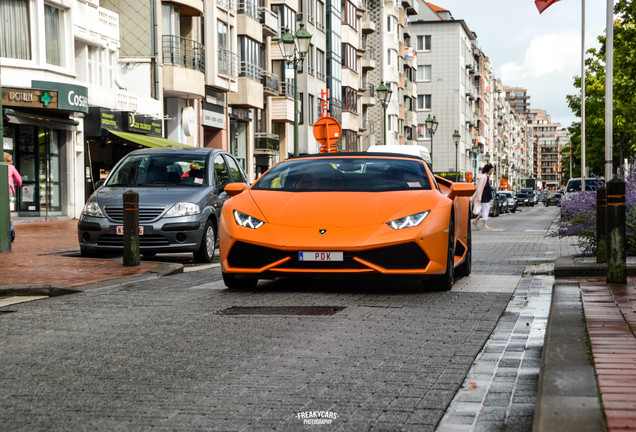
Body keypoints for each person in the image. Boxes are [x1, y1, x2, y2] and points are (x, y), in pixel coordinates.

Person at [4, 152, 22, 242]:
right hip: (8, 189)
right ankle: (10, 226)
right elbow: (18, 178)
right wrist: (19, 184)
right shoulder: (11, 167)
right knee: (7, 208)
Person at [471, 163, 494, 231]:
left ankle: (475, 221)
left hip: (485, 195)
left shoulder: (486, 176)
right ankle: (484, 225)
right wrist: (479, 198)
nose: (492, 172)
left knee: (485, 209)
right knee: (486, 209)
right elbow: (480, 188)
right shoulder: (484, 177)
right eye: (491, 170)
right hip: (484, 196)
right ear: (488, 170)